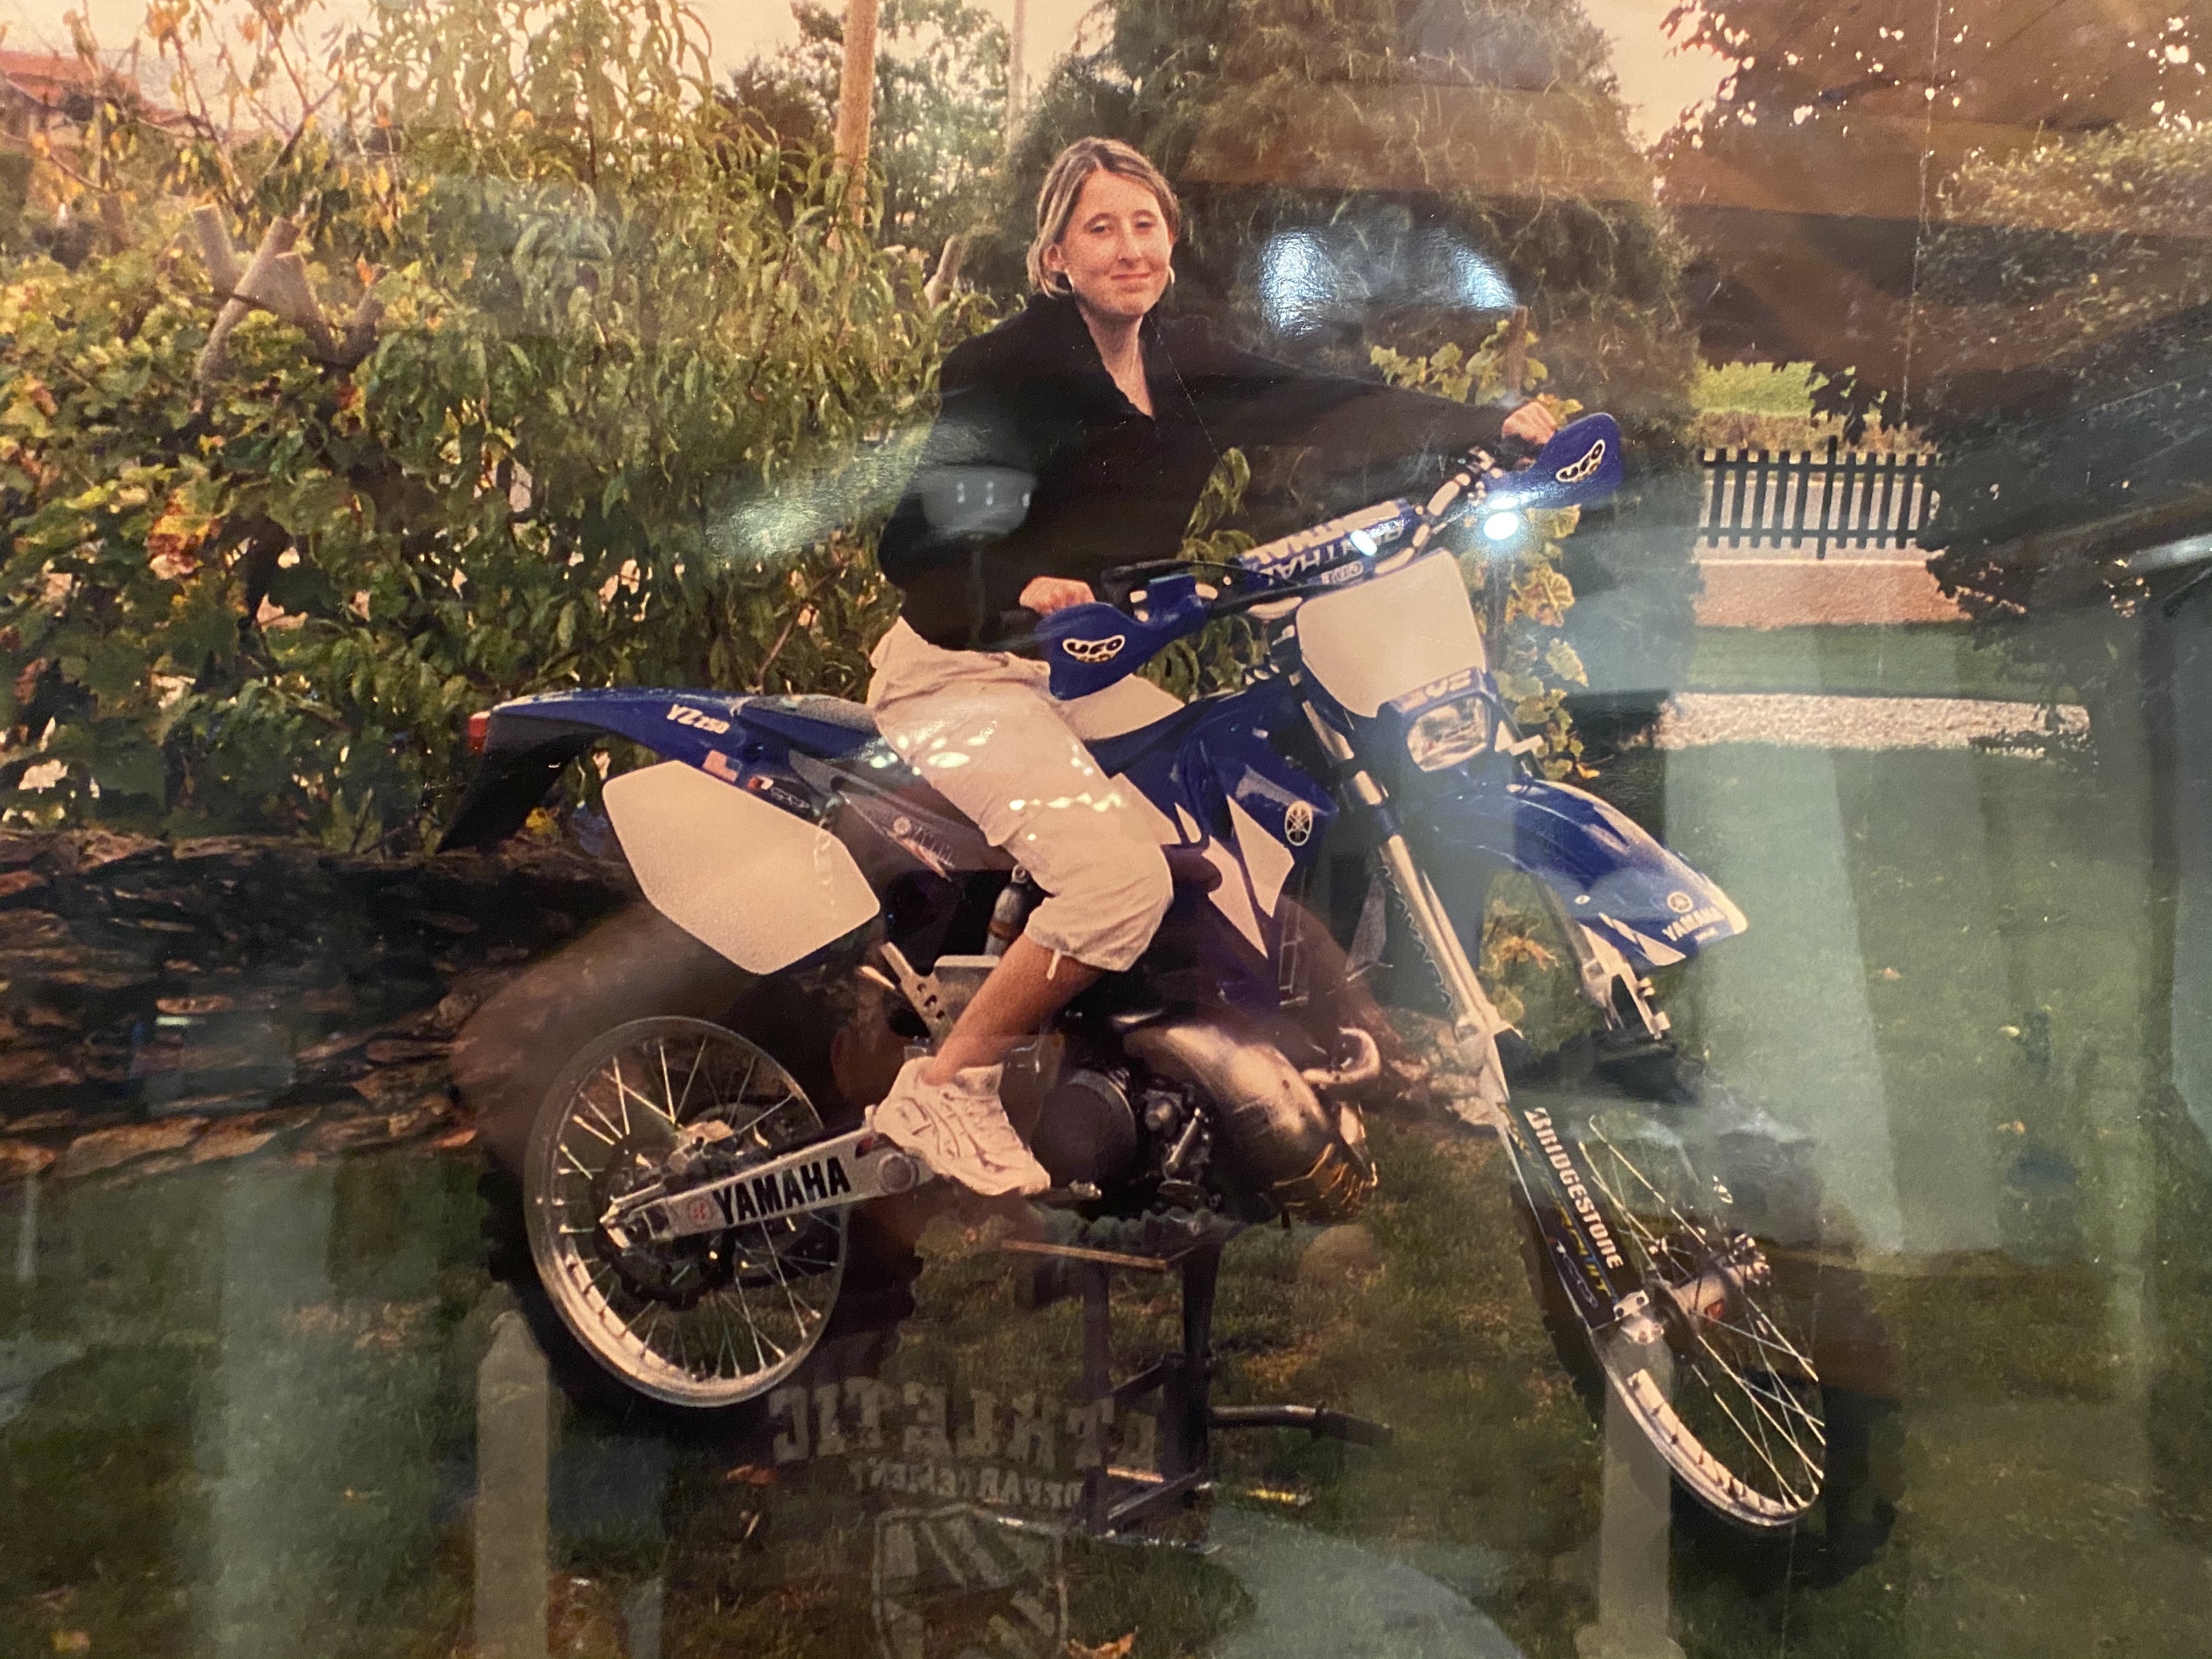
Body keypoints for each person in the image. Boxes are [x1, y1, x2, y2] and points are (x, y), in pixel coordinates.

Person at [864, 136, 1559, 1197]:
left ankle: (1178, 1082)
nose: (1128, 248)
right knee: (1119, 879)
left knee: (1246, 823)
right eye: (1100, 228)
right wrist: (1016, 587)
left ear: (1172, 244)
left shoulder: (1183, 364)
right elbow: (915, 545)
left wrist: (1482, 425)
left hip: (1083, 677)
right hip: (962, 672)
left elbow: (1322, 401)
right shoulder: (1010, 373)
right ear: (1056, 258)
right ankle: (946, 1087)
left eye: (1145, 225)